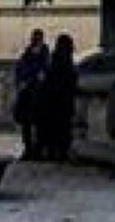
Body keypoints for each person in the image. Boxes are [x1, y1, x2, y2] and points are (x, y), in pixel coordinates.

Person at [37, 32, 77, 160]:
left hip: (51, 103)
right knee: (62, 130)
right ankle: (60, 153)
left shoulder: (53, 60)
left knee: (53, 130)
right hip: (62, 103)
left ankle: (51, 152)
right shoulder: (66, 62)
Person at [10, 31, 49, 154]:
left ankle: (37, 147)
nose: (35, 42)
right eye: (34, 39)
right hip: (27, 94)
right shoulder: (27, 54)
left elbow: (42, 73)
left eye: (37, 39)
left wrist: (28, 79)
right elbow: (20, 70)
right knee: (27, 123)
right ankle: (28, 147)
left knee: (37, 123)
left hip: (37, 94)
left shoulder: (45, 55)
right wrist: (21, 82)